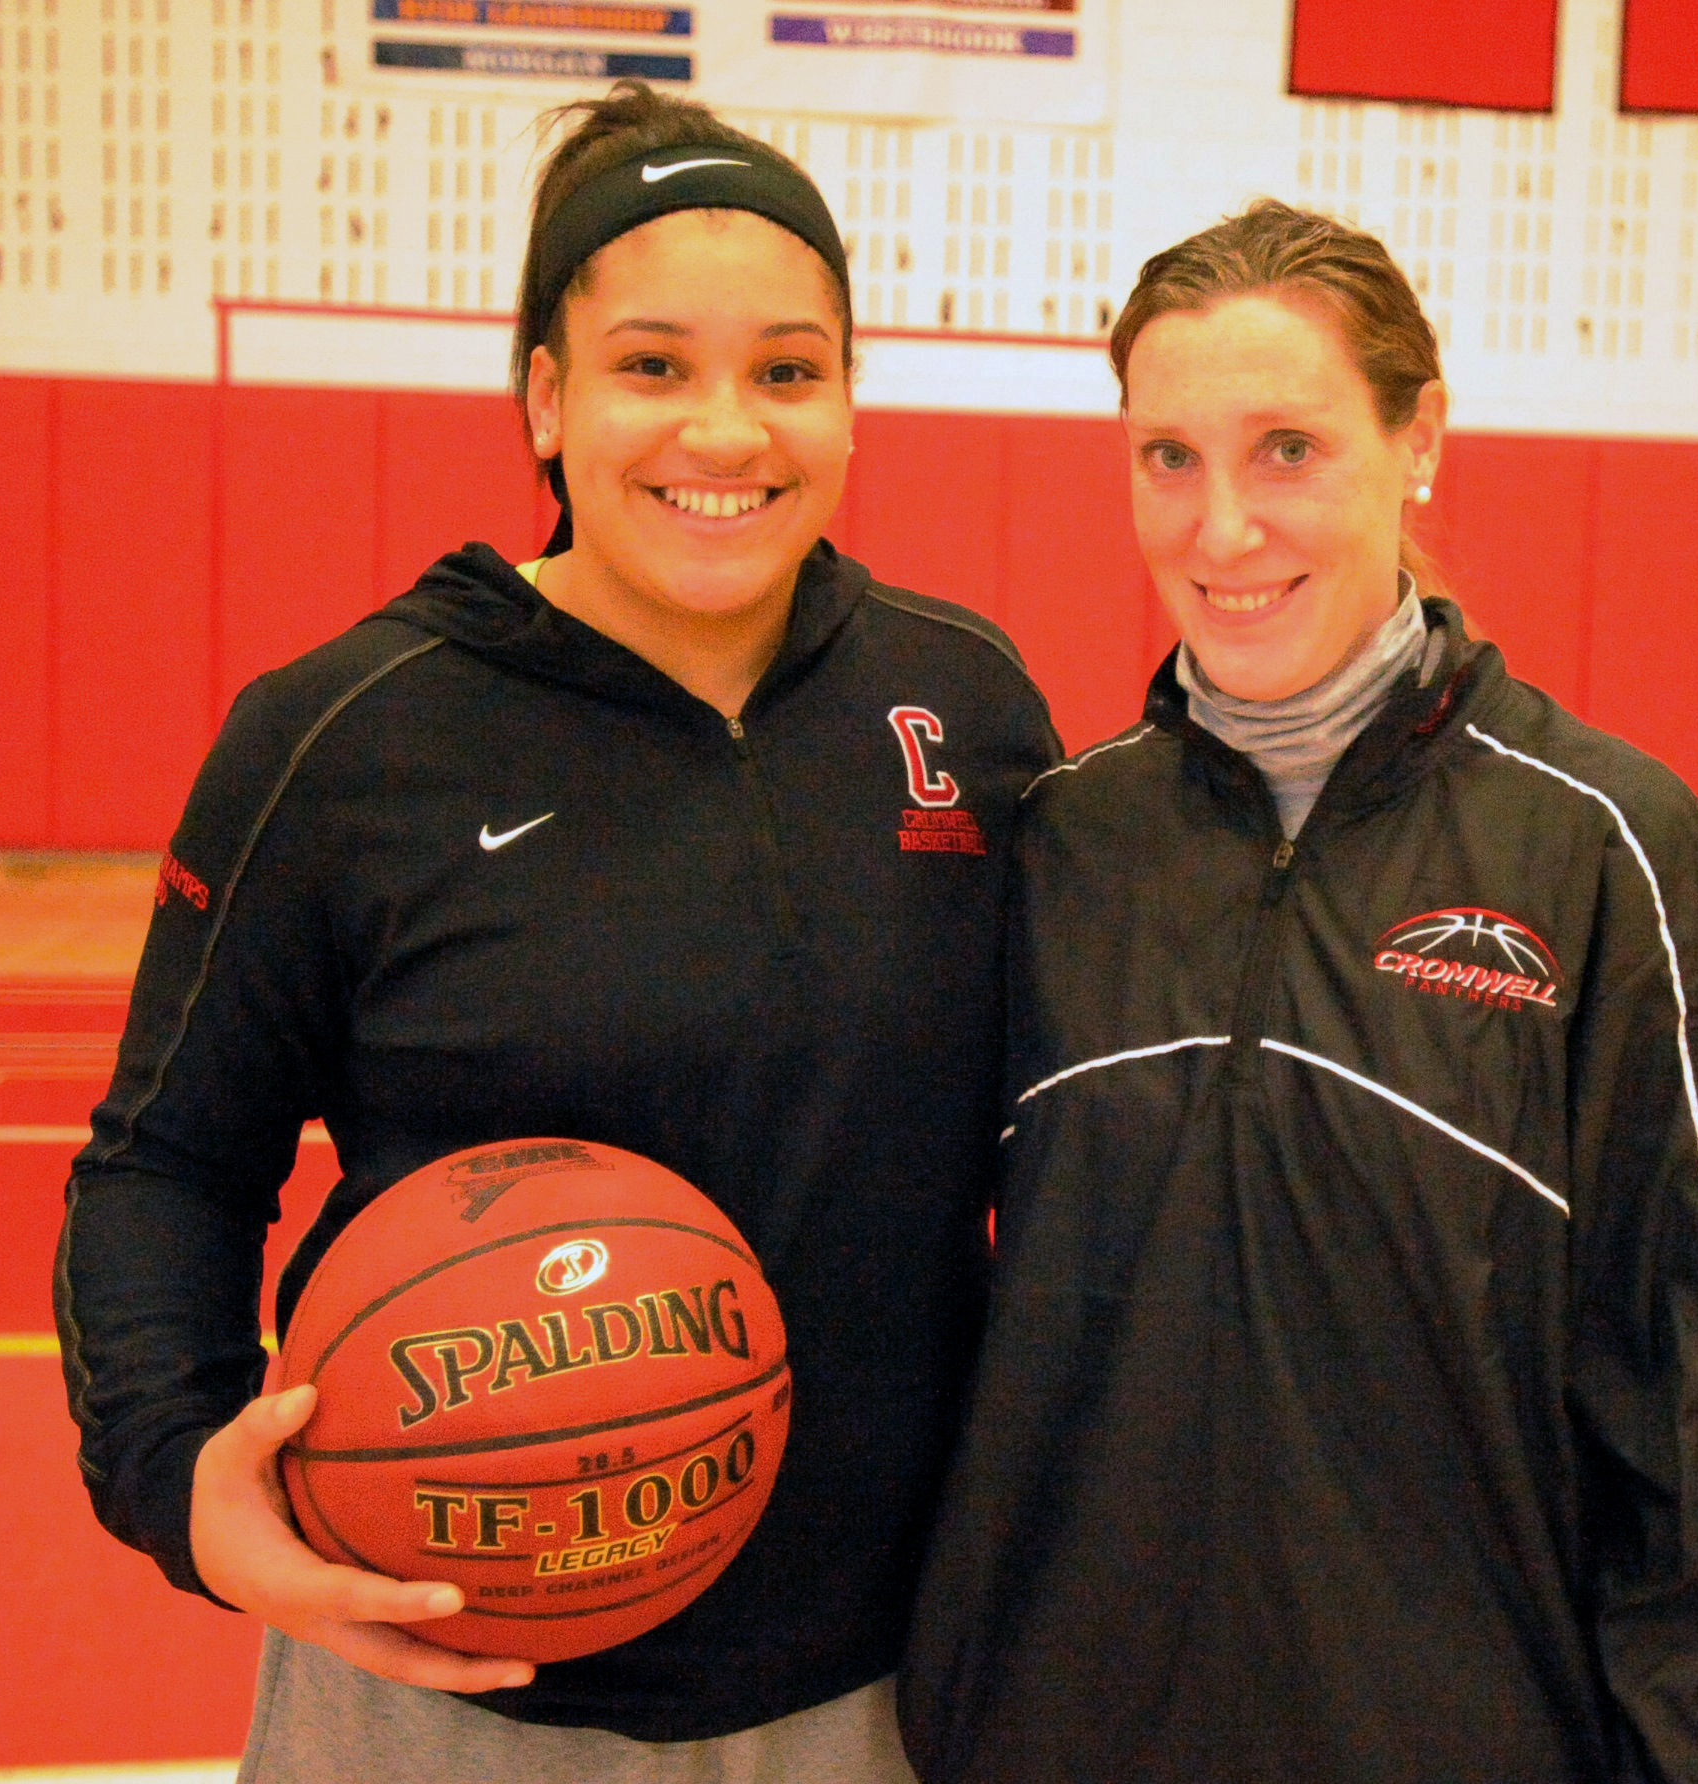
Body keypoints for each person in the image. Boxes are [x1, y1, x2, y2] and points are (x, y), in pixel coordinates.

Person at [56, 82, 1056, 1782]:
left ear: (850, 401)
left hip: (880, 1695)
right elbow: (166, 1165)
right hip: (445, 1689)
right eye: (652, 366)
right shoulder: (348, 738)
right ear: (545, 395)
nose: (724, 432)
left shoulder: (965, 707)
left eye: (789, 370)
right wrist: (184, 1479)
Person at [899, 200, 1698, 1784]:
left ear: (1420, 439)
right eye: (1169, 458)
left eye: (1288, 449)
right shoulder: (1063, 842)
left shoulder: (1603, 849)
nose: (1220, 532)